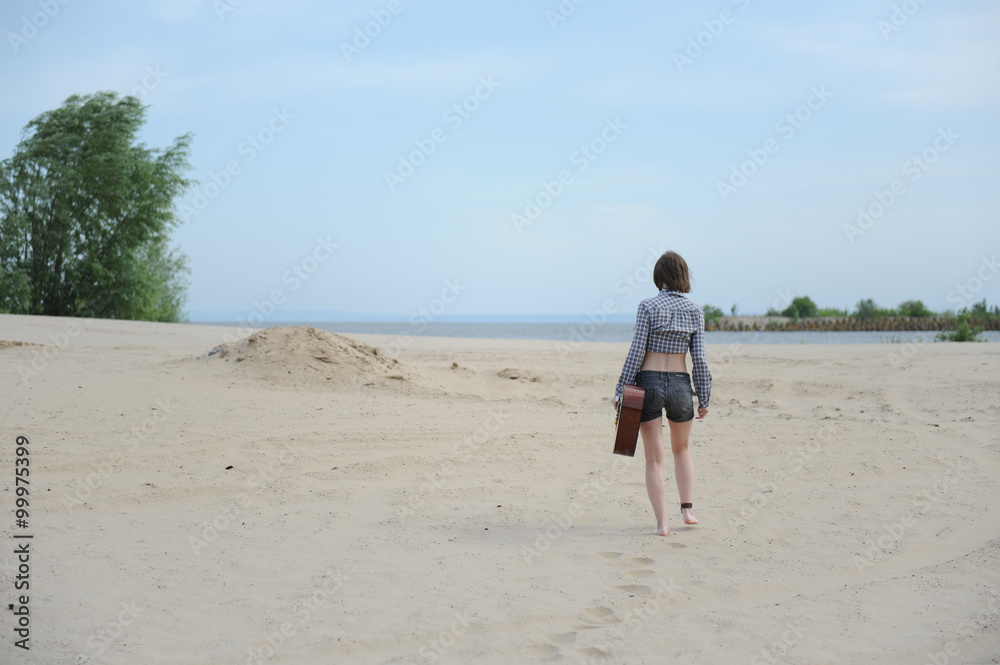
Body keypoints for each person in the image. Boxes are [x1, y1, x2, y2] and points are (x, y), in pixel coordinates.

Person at [613, 251, 711, 537]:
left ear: (659, 278)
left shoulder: (647, 306)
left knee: (654, 459)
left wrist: (621, 389)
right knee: (682, 450)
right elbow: (700, 360)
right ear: (683, 276)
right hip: (681, 385)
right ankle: (688, 510)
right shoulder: (695, 311)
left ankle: (662, 524)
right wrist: (704, 397)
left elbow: (637, 351)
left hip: (650, 383)